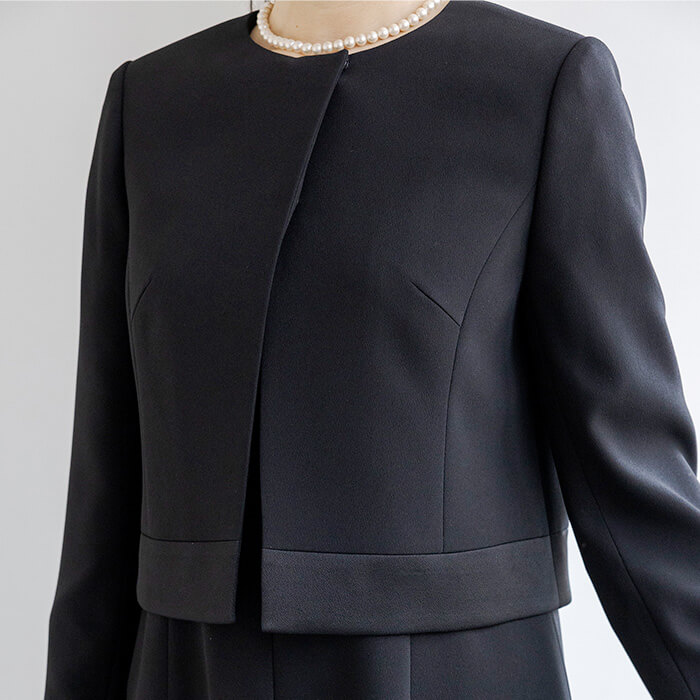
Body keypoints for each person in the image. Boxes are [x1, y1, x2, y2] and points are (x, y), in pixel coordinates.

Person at [45, 1, 700, 698]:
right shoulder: (149, 102)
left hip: (454, 673)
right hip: (190, 671)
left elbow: (630, 470)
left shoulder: (541, 82)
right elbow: (104, 485)